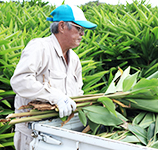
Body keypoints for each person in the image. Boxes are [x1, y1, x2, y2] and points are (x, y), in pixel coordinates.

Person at [10, 4, 97, 150]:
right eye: (79, 28)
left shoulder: (74, 59)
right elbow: (20, 80)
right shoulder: (40, 47)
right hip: (33, 134)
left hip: (61, 132)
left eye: (83, 30)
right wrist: (55, 97)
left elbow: (77, 93)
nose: (82, 34)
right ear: (62, 26)